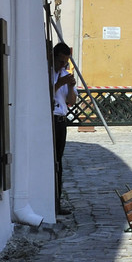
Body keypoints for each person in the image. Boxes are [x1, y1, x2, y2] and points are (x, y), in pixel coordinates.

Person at [51, 42, 76, 217]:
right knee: (51, 161)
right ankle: (50, 202)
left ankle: (57, 202)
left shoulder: (65, 74)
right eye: (60, 62)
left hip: (61, 120)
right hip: (50, 120)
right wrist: (59, 83)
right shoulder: (47, 74)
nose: (62, 65)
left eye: (65, 62)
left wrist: (70, 86)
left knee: (58, 161)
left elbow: (72, 101)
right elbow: (44, 93)